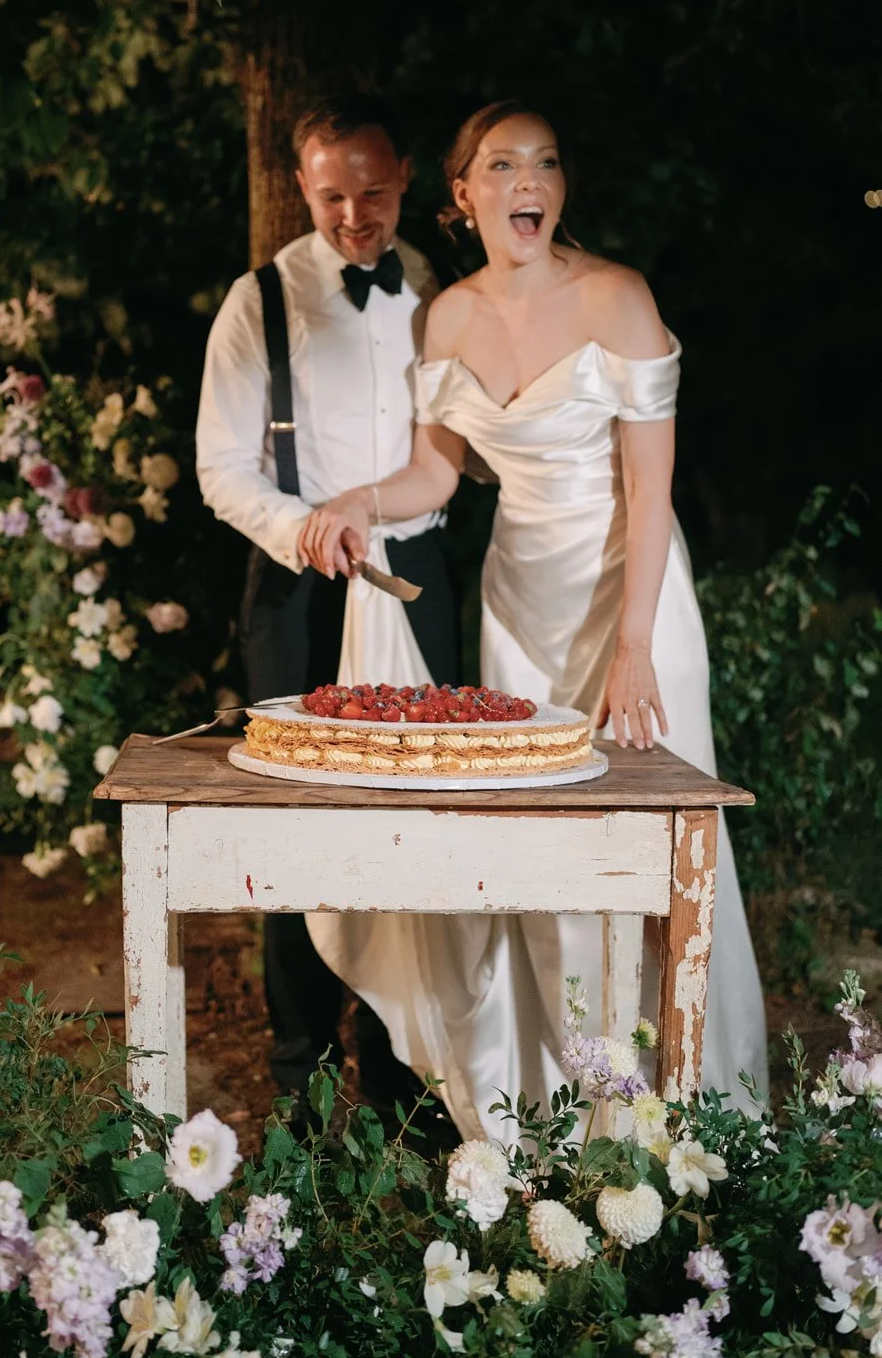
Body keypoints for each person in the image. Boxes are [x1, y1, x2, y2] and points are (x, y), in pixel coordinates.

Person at [297, 99, 769, 1140]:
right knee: (545, 861)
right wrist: (350, 506)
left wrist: (634, 650)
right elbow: (435, 470)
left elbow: (652, 495)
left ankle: (685, 1124)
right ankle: (571, 1121)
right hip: (518, 604)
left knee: (652, 860)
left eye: (545, 163)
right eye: (501, 165)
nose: (528, 182)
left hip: (628, 595)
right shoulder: (449, 315)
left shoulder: (618, 299)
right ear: (460, 195)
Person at [195, 93, 460, 1118]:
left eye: (375, 192)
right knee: (297, 830)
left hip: (418, 585)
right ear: (301, 188)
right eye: (332, 196)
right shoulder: (255, 303)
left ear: (403, 181)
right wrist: (299, 528)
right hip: (298, 592)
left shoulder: (438, 292)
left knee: (417, 821)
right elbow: (221, 468)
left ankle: (403, 1075)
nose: (356, 216)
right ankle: (299, 1082)